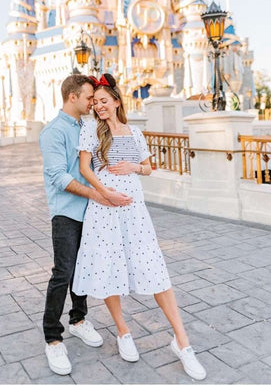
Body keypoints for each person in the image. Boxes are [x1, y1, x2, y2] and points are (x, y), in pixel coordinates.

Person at [72, 73, 207, 381]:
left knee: (154, 268)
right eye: (94, 103)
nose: (99, 107)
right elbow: (84, 167)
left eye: (104, 101)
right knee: (108, 268)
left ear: (117, 101)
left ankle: (182, 342)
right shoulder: (92, 129)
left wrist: (135, 167)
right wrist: (105, 193)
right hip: (105, 209)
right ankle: (123, 331)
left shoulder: (135, 132)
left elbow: (148, 167)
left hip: (134, 210)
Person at [39, 74, 133, 376]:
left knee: (84, 268)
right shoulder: (53, 132)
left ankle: (78, 320)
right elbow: (58, 177)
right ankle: (53, 338)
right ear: (72, 97)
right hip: (67, 212)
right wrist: (99, 194)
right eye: (89, 96)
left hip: (94, 212)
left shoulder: (88, 127)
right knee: (63, 271)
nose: (93, 101)